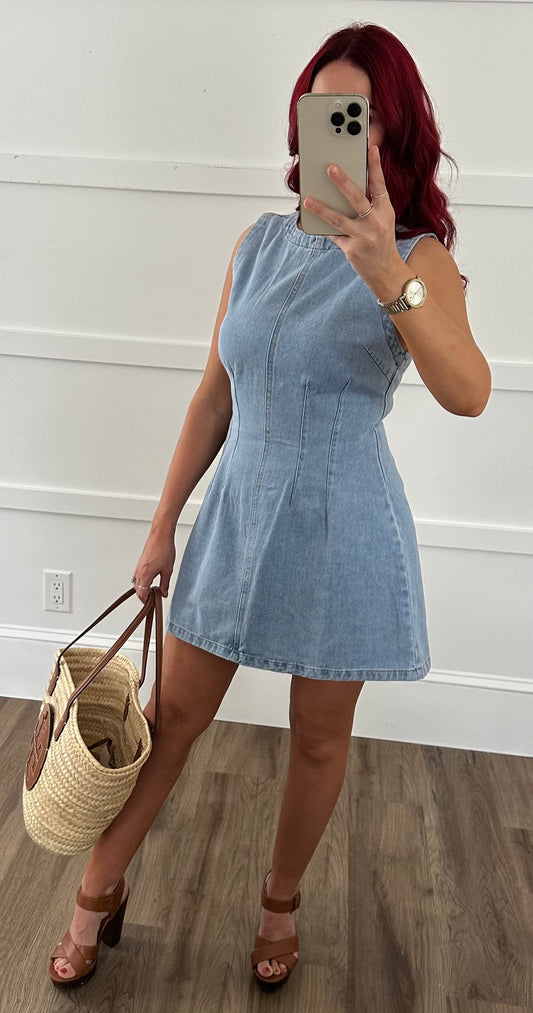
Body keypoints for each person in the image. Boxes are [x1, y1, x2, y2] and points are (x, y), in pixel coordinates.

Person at [49, 22, 491, 991]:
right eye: (320, 108)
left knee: (319, 736)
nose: (334, 128)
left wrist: (385, 274)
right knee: (170, 716)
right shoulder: (255, 243)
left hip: (344, 524)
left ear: (392, 130)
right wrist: (161, 525)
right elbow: (214, 396)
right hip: (237, 513)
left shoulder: (418, 258)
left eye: (355, 113)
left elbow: (468, 392)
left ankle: (278, 901)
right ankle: (96, 889)